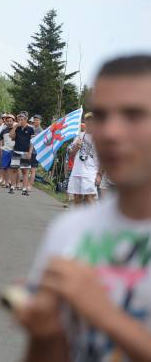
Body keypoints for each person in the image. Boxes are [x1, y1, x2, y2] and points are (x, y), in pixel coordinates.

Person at [12, 54, 151, 362]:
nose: (111, 132)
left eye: (133, 115)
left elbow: (100, 314)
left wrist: (105, 314)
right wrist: (45, 332)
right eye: (101, 116)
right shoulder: (69, 230)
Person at [66, 114, 99, 206]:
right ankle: (78, 219)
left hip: (90, 172)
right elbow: (71, 155)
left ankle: (93, 219)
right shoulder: (79, 136)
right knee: (77, 198)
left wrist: (99, 175)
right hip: (77, 171)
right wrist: (76, 147)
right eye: (87, 120)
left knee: (89, 198)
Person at [9, 112, 36, 196]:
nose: (20, 121)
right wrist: (15, 127)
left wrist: (30, 152)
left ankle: (24, 189)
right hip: (16, 150)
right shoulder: (17, 127)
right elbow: (11, 136)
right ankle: (12, 187)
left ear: (25, 119)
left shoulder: (30, 129)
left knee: (25, 171)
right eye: (19, 119)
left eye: (22, 119)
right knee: (14, 169)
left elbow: (32, 142)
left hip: (25, 152)